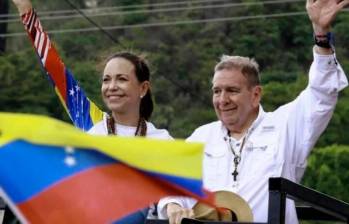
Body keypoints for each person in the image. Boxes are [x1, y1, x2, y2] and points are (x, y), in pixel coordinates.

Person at [157, 0, 349, 223]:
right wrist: (173, 204)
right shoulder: (201, 137)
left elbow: (322, 92)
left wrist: (321, 34)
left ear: (255, 95)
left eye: (232, 90)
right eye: (216, 91)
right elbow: (171, 182)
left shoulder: (285, 126)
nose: (222, 100)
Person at [11, 0, 172, 223]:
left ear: (143, 88)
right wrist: (26, 13)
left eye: (122, 79)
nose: (112, 87)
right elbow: (56, 71)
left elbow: (174, 195)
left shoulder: (161, 141)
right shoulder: (93, 124)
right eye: (106, 80)